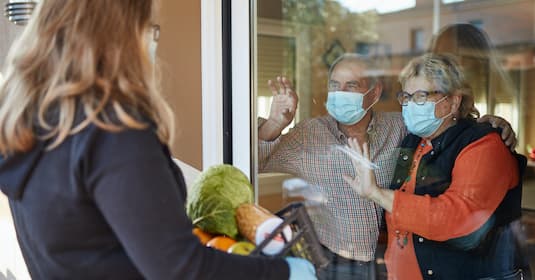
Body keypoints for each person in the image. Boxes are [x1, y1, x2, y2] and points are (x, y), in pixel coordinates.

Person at [0, 1, 316, 279]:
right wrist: (284, 272)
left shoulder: (33, 126)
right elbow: (181, 269)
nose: (151, 43)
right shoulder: (113, 132)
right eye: (148, 28)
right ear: (121, 34)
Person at [258, 54, 516, 279]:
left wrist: (492, 123)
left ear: (375, 92)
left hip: (387, 261)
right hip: (335, 262)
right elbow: (253, 161)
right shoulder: (308, 134)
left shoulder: (402, 128)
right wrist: (274, 124)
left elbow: (451, 127)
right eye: (334, 86)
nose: (340, 93)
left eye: (351, 85)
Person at [344, 53, 526, 279]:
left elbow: (456, 218)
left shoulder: (485, 145)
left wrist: (376, 194)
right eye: (406, 96)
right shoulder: (413, 142)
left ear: (453, 101)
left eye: (421, 96)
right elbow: (398, 212)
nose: (410, 105)